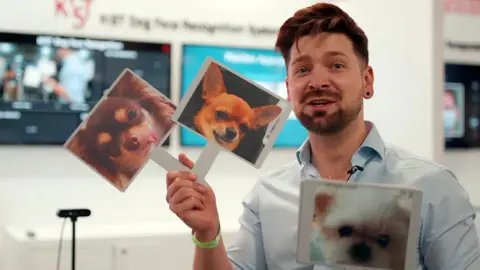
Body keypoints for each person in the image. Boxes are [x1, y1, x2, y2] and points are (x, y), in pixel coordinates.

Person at [165, 3, 480, 270]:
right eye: (302, 70)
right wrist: (207, 232)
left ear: (367, 81)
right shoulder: (268, 194)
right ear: (289, 89)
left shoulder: (432, 186)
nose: (318, 81)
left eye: (336, 65)